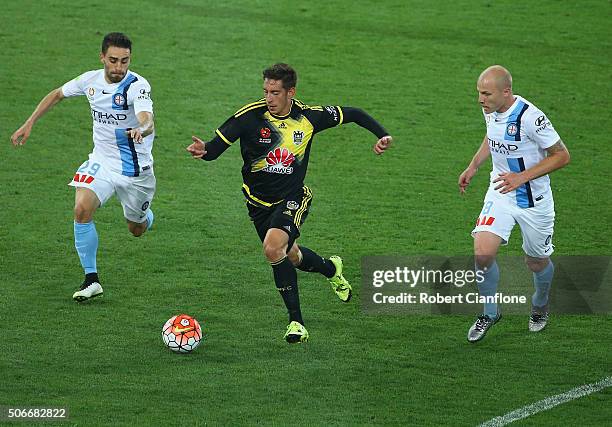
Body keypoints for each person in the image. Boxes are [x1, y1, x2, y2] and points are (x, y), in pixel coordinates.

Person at [187, 63, 392, 343]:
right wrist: (203, 151)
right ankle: (332, 269)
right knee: (291, 255)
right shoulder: (249, 116)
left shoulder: (309, 117)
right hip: (257, 203)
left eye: (274, 92)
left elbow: (353, 114)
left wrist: (382, 135)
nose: (268, 98)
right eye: (266, 91)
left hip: (293, 197)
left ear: (290, 92)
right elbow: (214, 149)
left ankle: (296, 323)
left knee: (272, 248)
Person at [11, 32, 156, 302]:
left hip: (136, 171)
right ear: (102, 57)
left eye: (124, 61)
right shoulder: (89, 80)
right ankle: (92, 279)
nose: (118, 68)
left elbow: (147, 118)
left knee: (136, 229)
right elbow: (57, 94)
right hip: (101, 161)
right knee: (81, 208)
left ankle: (146, 217)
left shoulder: (137, 85)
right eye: (113, 60)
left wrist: (142, 128)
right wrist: (29, 122)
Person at [458, 65, 570, 342]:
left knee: (536, 262)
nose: (480, 99)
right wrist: (473, 166)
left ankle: (540, 304)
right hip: (501, 191)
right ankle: (490, 312)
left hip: (534, 200)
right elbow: (493, 137)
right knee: (482, 252)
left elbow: (562, 155)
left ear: (506, 92)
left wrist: (522, 177)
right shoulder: (490, 110)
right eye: (478, 93)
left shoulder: (531, 118)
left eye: (486, 93)